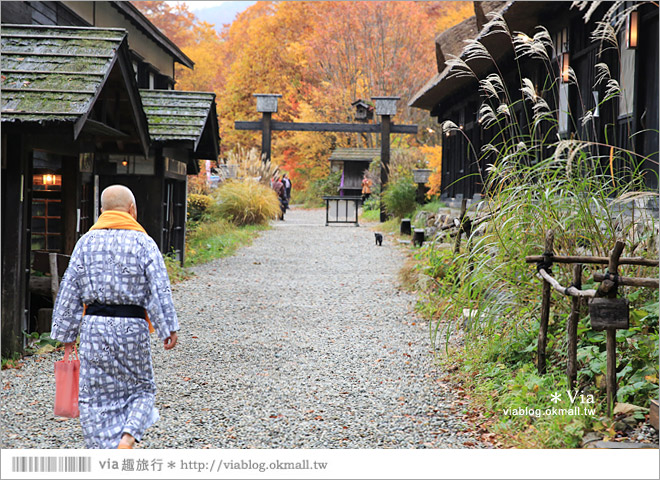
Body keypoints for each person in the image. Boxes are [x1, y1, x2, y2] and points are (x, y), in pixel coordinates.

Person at [50, 185, 179, 449]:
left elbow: (70, 289)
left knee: (94, 395)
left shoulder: (85, 243)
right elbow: (159, 289)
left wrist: (66, 337)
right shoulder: (144, 242)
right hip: (132, 327)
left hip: (94, 329)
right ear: (132, 210)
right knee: (141, 389)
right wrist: (168, 327)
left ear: (101, 212)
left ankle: (102, 451)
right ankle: (128, 436)